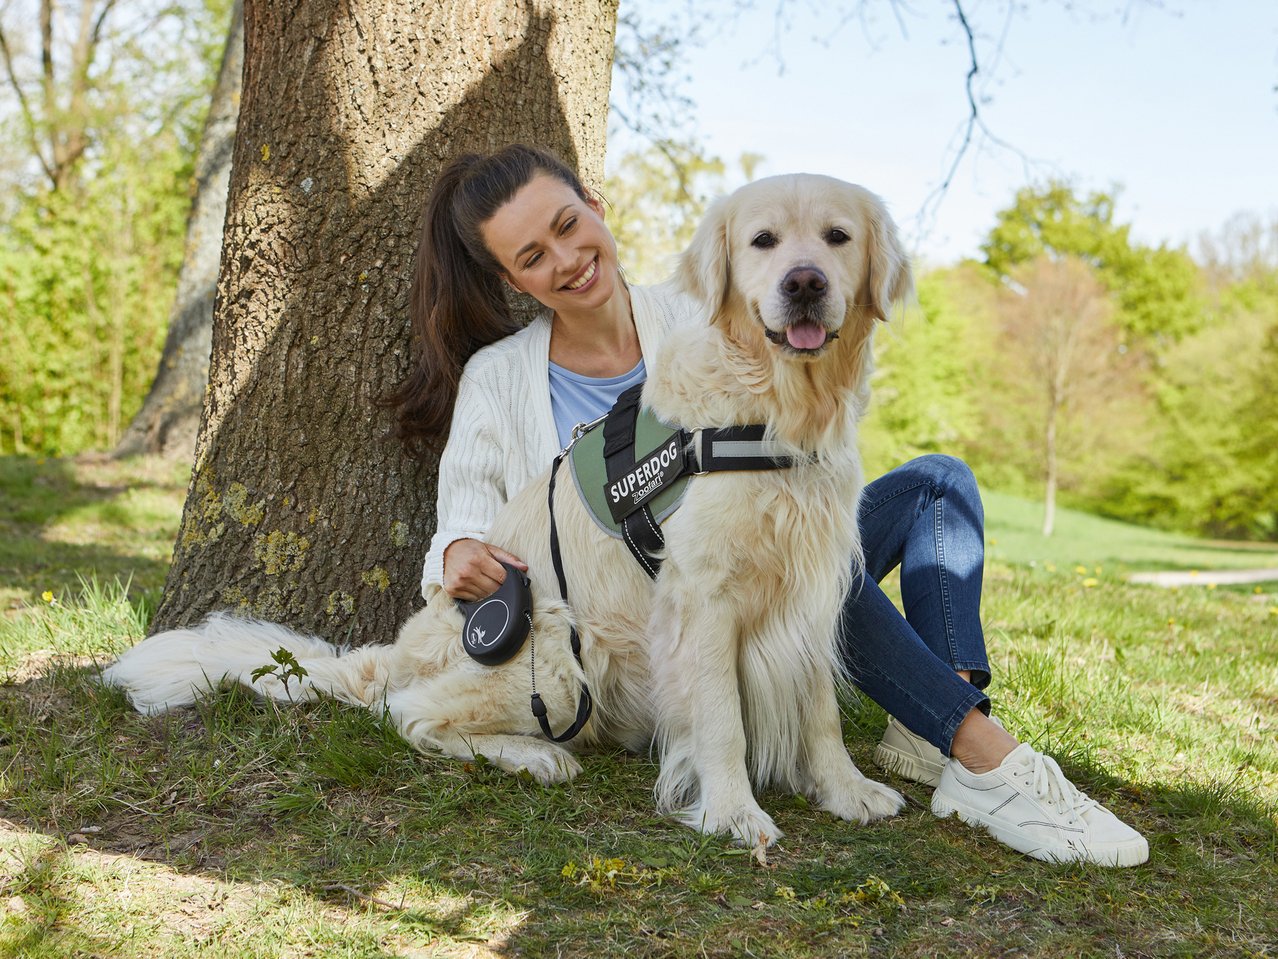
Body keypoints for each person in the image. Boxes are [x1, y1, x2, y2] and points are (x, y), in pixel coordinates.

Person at [387, 143, 1148, 868]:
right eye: (532, 257)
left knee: (932, 486)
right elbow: (463, 518)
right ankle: (976, 749)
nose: (565, 259)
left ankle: (934, 713)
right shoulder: (500, 375)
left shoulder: (701, 310)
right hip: (632, 618)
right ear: (515, 282)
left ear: (595, 207)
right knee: (797, 556)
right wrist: (455, 551)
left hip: (766, 562)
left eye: (567, 226)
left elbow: (807, 431)